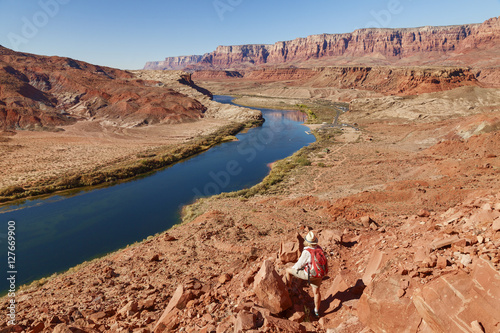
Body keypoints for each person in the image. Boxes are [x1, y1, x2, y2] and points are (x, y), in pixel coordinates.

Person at [285, 231, 324, 317]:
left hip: (309, 275)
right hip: (319, 274)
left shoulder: (307, 251)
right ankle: (316, 311)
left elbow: (298, 265)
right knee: (316, 292)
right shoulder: (319, 248)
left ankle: (288, 289)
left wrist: (293, 269)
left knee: (288, 270)